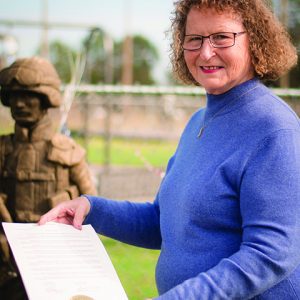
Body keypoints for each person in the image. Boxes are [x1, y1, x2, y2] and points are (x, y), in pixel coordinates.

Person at [39, 0, 300, 299]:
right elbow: (161, 223)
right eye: (194, 39)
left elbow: (270, 255)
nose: (205, 52)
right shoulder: (198, 122)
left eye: (221, 37)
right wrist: (91, 210)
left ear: (253, 39)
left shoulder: (274, 129)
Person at [0, 56, 97, 299]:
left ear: (45, 100)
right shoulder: (2, 150)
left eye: (28, 96)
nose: (19, 104)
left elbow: (92, 203)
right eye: (14, 96)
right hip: (6, 266)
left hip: (54, 264)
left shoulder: (68, 152)